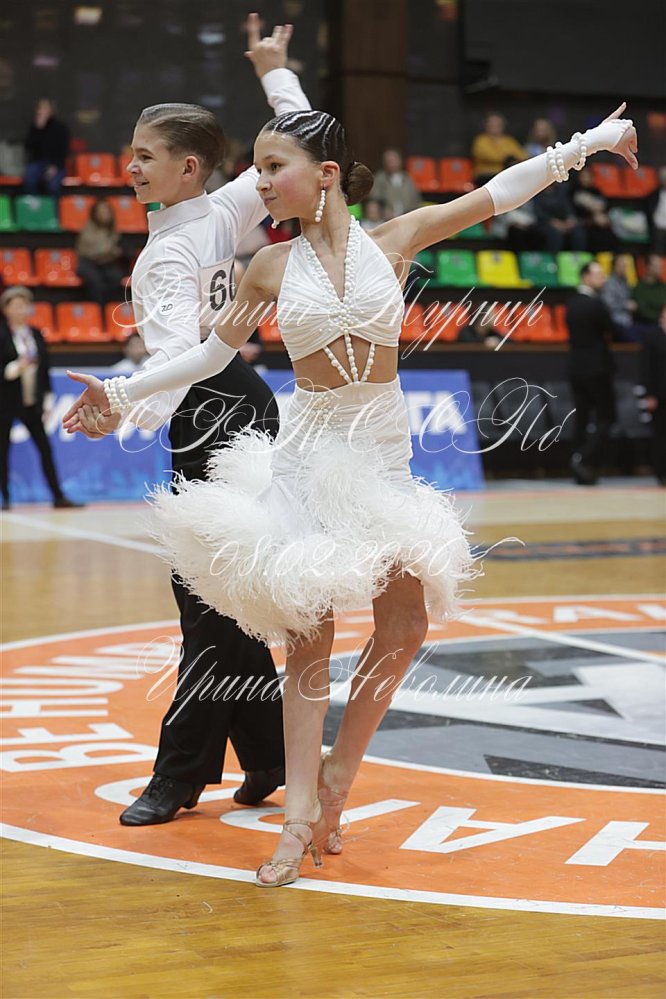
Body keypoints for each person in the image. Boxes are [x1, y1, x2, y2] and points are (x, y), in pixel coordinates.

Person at [63, 104, 638, 886]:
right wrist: (119, 394)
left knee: (404, 623)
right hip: (307, 459)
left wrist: (591, 143)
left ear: (326, 175)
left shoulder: (395, 240)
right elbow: (205, 357)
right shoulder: (269, 267)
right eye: (258, 168)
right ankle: (298, 815)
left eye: (274, 167)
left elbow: (500, 192)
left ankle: (339, 773)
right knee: (309, 638)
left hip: (382, 458)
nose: (261, 182)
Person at [64, 14, 312, 827]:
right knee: (222, 596)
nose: (130, 166)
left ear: (188, 167)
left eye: (145, 155)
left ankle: (177, 776)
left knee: (205, 601)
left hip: (211, 409)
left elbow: (183, 358)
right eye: (131, 153)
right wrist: (274, 71)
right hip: (240, 399)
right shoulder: (225, 207)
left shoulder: (168, 251)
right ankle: (270, 755)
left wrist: (117, 402)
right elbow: (303, 133)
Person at [0, 286, 82, 510]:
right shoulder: (2, 334)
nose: (22, 309)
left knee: (45, 448)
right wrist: (15, 368)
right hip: (6, 403)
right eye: (17, 305)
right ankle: (5, 498)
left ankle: (58, 496)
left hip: (31, 404)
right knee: (3, 451)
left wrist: (47, 398)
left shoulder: (35, 334)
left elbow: (44, 368)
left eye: (25, 305)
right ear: (6, 309)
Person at [565, 260, 626, 485]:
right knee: (607, 417)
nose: (603, 278)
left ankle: (578, 465)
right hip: (597, 368)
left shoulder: (571, 304)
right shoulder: (595, 304)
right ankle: (583, 459)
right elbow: (613, 329)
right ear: (585, 277)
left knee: (581, 418)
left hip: (575, 368)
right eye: (598, 274)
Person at [75, 199, 125, 304]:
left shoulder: (113, 231)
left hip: (107, 264)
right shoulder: (88, 231)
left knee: (116, 277)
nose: (104, 214)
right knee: (94, 280)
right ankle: (98, 308)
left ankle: (110, 308)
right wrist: (110, 251)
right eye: (101, 211)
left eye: (107, 211)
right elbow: (88, 251)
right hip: (89, 263)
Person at [639, 304, 666, 485]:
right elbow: (646, 369)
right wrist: (649, 395)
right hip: (659, 394)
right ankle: (661, 472)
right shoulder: (652, 337)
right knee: (660, 435)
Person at [23, 98, 70, 197]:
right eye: (39, 108)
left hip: (56, 164)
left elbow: (64, 151)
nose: (41, 111)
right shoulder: (34, 128)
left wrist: (55, 166)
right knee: (29, 179)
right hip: (38, 163)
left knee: (53, 185)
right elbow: (29, 147)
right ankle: (35, 204)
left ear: (51, 110)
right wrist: (38, 130)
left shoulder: (60, 128)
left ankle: (52, 207)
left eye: (44, 108)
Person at [471, 112, 527, 185]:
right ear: (486, 125)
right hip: (486, 175)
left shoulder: (509, 140)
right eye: (491, 124)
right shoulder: (481, 140)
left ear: (502, 126)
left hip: (506, 174)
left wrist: (509, 158)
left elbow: (522, 156)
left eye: (497, 124)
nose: (494, 126)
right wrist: (508, 158)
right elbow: (486, 155)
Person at [533, 181, 586, 253]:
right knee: (555, 234)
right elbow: (538, 212)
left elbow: (568, 207)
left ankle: (578, 256)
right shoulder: (537, 192)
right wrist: (552, 222)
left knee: (578, 231)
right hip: (545, 222)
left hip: (563, 221)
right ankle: (554, 257)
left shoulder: (561, 191)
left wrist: (570, 218)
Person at [572, 167, 616, 252]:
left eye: (588, 177)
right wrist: (592, 218)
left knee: (608, 231)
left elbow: (605, 206)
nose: (585, 179)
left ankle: (609, 255)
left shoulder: (596, 191)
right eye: (583, 177)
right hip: (584, 221)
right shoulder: (574, 191)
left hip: (599, 220)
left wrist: (602, 217)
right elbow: (575, 210)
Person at [369, 149, 421, 219]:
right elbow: (374, 200)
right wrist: (382, 212)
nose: (391, 164)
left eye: (393, 160)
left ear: (400, 161)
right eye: (388, 161)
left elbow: (415, 201)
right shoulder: (380, 178)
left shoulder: (407, 178)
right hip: (386, 218)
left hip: (407, 217)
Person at [600, 254, 637, 331]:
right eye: (621, 266)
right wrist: (625, 305)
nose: (624, 268)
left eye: (625, 266)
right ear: (614, 267)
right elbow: (607, 304)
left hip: (627, 319)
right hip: (614, 320)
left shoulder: (625, 281)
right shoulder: (609, 283)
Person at [632, 254, 666, 326]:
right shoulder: (639, 287)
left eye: (661, 266)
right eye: (657, 266)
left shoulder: (663, 287)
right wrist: (659, 316)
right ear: (648, 267)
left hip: (661, 325)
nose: (660, 269)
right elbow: (642, 310)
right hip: (643, 325)